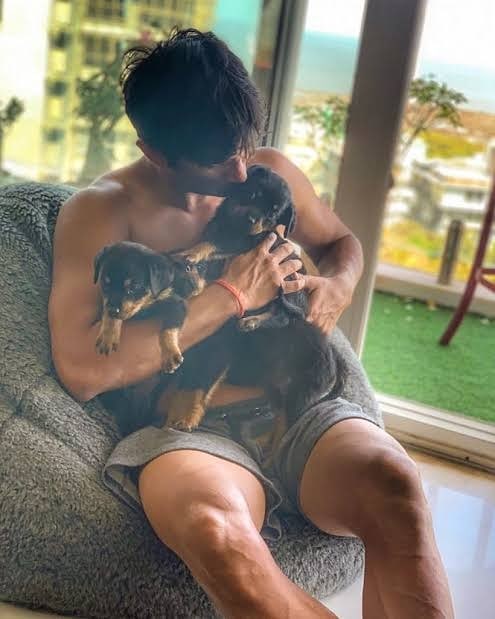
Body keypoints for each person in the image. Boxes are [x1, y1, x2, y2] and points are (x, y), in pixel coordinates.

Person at [48, 28, 454, 619]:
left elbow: (341, 243)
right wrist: (232, 294)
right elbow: (82, 371)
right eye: (219, 160)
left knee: (397, 486)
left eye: (246, 145)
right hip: (192, 427)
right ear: (155, 152)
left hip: (298, 405)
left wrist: (337, 286)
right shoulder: (102, 211)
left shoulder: (267, 171)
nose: (242, 172)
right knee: (216, 534)